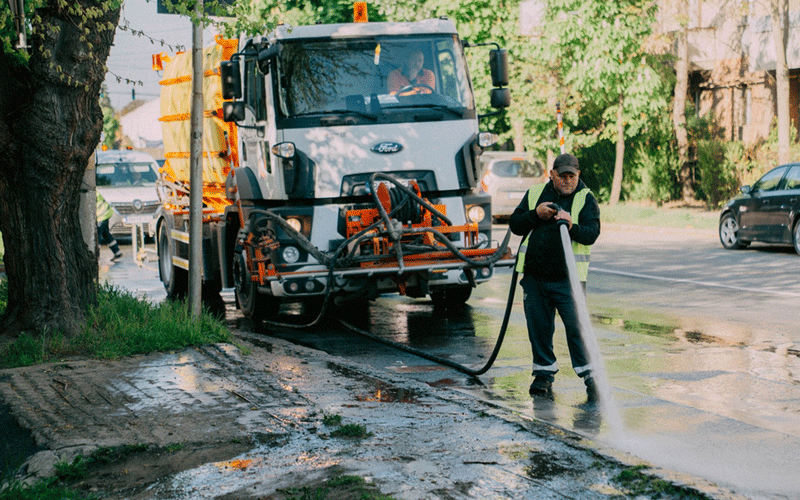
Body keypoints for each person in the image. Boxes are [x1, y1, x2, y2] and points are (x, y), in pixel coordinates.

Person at [509, 153, 601, 400]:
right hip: (535, 277)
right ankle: (543, 375)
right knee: (539, 327)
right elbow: (516, 224)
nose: (567, 181)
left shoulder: (585, 198)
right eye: (562, 176)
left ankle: (591, 377)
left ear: (578, 175)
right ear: (552, 174)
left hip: (568, 279)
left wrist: (572, 226)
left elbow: (592, 232)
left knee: (577, 328)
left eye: (572, 176)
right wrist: (535, 215)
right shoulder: (535, 193)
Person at [96, 192, 123, 261]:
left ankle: (96, 256)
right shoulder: (93, 191)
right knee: (106, 234)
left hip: (102, 215)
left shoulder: (91, 192)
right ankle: (117, 252)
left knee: (97, 235)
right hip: (105, 214)